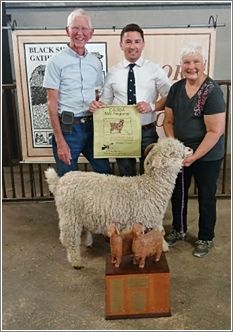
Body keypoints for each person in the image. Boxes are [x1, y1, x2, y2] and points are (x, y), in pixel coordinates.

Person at [163, 42, 226, 258]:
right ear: (181, 66)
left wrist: (194, 156)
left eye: (196, 61)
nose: (192, 66)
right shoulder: (176, 88)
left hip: (207, 154)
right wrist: (176, 147)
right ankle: (178, 230)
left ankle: (205, 237)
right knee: (178, 193)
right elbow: (168, 122)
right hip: (181, 152)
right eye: (187, 62)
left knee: (206, 196)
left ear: (204, 63)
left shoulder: (212, 91)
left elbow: (215, 131)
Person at [89, 23, 171, 176]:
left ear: (143, 44)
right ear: (121, 45)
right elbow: (105, 104)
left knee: (151, 176)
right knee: (126, 177)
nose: (132, 46)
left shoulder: (154, 69)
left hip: (147, 131)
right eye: (128, 42)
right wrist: (96, 106)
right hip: (121, 133)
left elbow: (170, 95)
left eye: (137, 41)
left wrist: (152, 106)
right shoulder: (113, 72)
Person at [43, 9, 112, 177]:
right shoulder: (55, 62)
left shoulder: (95, 62)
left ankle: (102, 204)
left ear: (91, 33)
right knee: (68, 180)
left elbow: (97, 94)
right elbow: (51, 104)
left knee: (106, 174)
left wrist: (98, 102)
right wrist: (60, 141)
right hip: (68, 129)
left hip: (92, 126)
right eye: (75, 28)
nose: (79, 33)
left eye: (84, 29)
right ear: (67, 31)